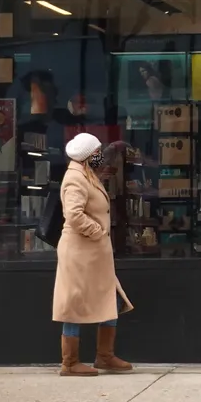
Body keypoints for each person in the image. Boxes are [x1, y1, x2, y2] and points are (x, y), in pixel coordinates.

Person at [52, 132, 135, 376]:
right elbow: (74, 214)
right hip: (80, 252)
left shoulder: (86, 173)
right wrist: (98, 232)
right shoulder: (74, 178)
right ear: (89, 156)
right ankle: (69, 363)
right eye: (97, 152)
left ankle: (105, 356)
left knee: (110, 298)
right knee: (75, 303)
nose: (100, 156)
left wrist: (111, 154)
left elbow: (96, 180)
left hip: (94, 254)